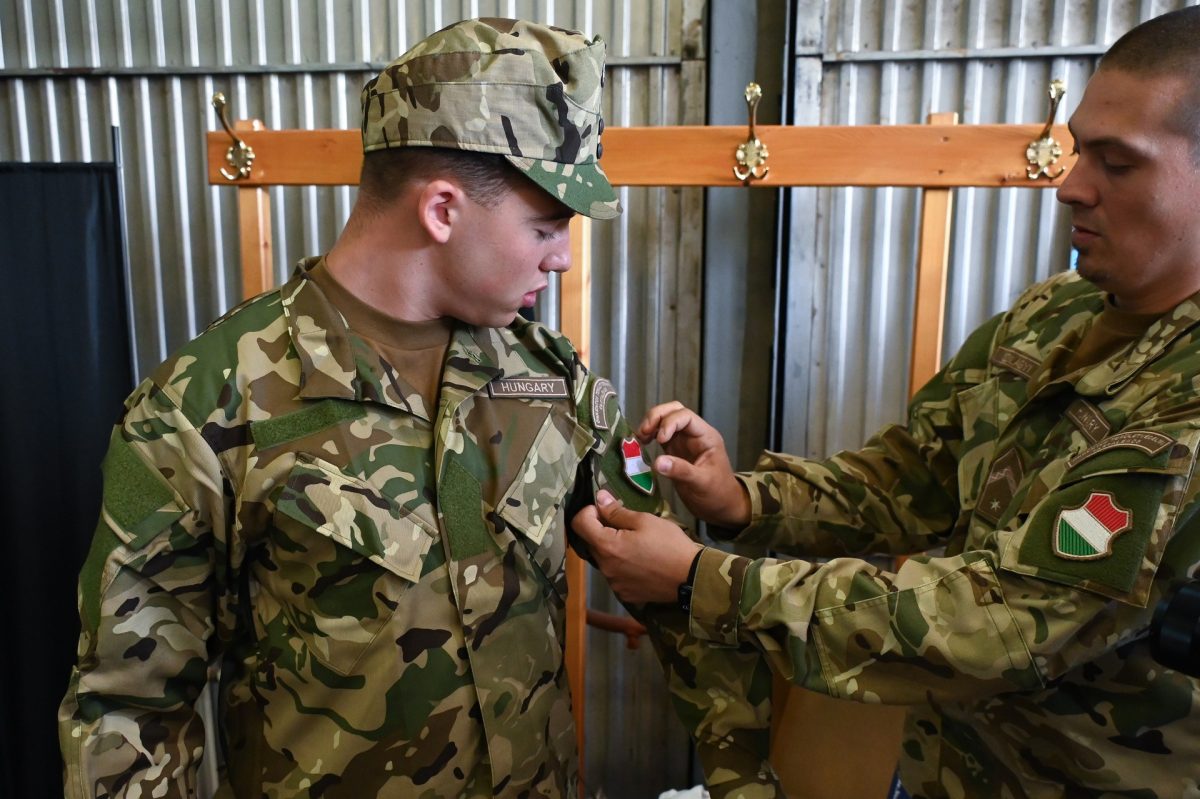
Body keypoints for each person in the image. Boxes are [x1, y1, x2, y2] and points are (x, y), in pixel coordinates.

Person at [58, 18, 781, 799]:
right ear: (441, 210)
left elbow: (670, 591)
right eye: (545, 226)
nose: (565, 256)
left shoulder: (548, 380)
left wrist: (748, 784)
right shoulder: (197, 407)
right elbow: (127, 708)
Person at [573, 7, 1200, 798]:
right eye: (1078, 150)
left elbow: (1007, 623)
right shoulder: (1054, 316)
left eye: (1117, 162)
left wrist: (702, 581)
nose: (1071, 185)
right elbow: (911, 476)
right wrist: (743, 500)